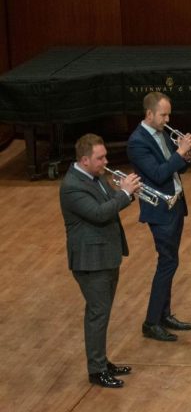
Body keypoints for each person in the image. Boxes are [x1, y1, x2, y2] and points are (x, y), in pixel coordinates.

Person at [60, 134, 140, 388]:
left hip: (106, 255)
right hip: (90, 261)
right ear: (84, 160)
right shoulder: (72, 186)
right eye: (100, 158)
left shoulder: (96, 176)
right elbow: (98, 213)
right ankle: (96, 370)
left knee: (102, 312)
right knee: (97, 314)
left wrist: (126, 194)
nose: (106, 161)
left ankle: (102, 361)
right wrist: (125, 193)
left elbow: (109, 205)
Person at [126, 92, 191, 342]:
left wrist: (185, 156)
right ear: (149, 114)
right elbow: (157, 173)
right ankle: (151, 321)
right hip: (160, 211)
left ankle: (164, 315)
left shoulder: (161, 132)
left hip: (175, 205)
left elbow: (176, 168)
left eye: (169, 114)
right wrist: (180, 153)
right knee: (167, 263)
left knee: (171, 261)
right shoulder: (137, 142)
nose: (168, 119)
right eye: (163, 115)